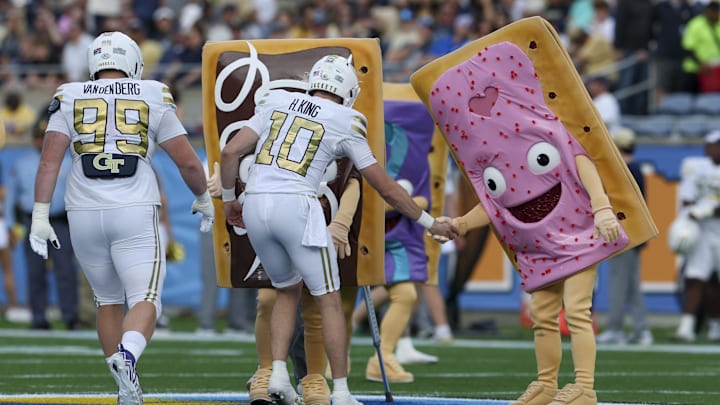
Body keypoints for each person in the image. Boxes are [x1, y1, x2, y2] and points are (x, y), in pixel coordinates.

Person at [220, 54, 457, 405]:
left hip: (256, 203)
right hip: (297, 205)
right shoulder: (347, 120)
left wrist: (229, 200)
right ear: (348, 91)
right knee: (328, 300)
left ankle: (279, 376)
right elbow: (386, 188)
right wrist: (429, 222)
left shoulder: (277, 100)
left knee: (285, 292)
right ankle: (342, 392)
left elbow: (230, 152)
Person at [28, 32, 213, 404]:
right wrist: (204, 197)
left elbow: (49, 161)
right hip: (133, 208)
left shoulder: (68, 94)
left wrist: (40, 214)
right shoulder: (153, 93)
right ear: (132, 62)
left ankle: (126, 390)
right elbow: (187, 160)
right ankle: (126, 356)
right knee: (146, 298)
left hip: (82, 211)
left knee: (107, 301)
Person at [5, 112, 79, 331]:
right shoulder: (23, 163)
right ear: (34, 139)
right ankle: (38, 316)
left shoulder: (69, 161)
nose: (42, 142)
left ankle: (70, 316)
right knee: (35, 271)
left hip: (60, 221)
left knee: (65, 270)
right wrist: (11, 224)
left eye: (46, 137)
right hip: (32, 221)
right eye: (39, 137)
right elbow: (12, 197)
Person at [595, 127, 653, 345]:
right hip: (634, 231)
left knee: (620, 283)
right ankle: (640, 329)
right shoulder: (635, 169)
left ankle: (617, 328)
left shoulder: (626, 170)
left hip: (625, 232)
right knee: (630, 284)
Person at [672, 130, 720, 342]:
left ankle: (715, 326)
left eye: (714, 145)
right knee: (696, 278)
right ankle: (686, 327)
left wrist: (709, 210)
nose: (710, 149)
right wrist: (695, 212)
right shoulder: (697, 169)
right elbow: (687, 201)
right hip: (702, 232)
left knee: (714, 283)